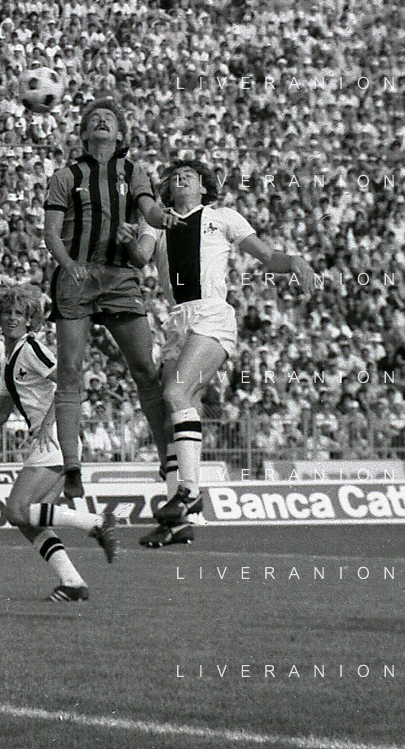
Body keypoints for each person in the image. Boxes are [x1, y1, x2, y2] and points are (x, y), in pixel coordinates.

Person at [124, 159, 315, 547]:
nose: (181, 178)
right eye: (176, 176)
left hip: (211, 313)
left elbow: (267, 256)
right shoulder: (156, 222)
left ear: (203, 187)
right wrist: (125, 237)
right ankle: (177, 523)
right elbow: (140, 257)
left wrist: (294, 261)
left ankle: (190, 492)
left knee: (176, 393)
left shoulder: (222, 217)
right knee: (170, 421)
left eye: (190, 175)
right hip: (176, 320)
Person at [43, 98, 181, 499]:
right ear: (84, 133)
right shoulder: (66, 176)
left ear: (120, 134)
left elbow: (149, 210)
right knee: (70, 370)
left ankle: (167, 457)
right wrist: (69, 264)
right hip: (78, 275)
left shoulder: (134, 172)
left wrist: (161, 218)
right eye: (94, 118)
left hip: (121, 277)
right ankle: (72, 467)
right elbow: (51, 233)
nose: (102, 120)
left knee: (144, 369)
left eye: (109, 118)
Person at [0, 285, 118, 602]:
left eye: (19, 314)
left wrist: (46, 423)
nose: (12, 318)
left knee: (16, 510)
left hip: (54, 436)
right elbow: (2, 412)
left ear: (30, 320)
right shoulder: (10, 359)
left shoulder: (31, 348)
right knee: (30, 520)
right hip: (49, 438)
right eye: (7, 313)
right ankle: (72, 582)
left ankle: (97, 523)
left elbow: (71, 381)